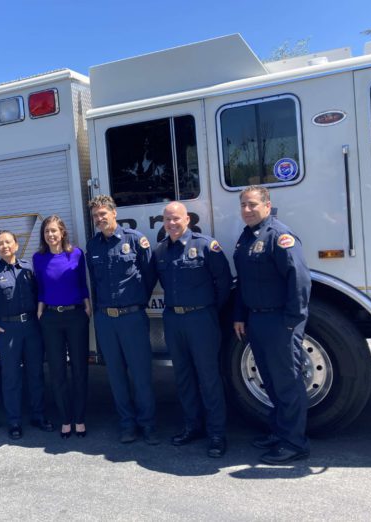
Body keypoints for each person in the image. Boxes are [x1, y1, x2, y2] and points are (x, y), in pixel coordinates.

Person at [233, 185, 312, 465]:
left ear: (268, 205)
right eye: (243, 204)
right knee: (270, 382)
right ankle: (279, 432)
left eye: (252, 204)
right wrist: (240, 316)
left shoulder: (280, 236)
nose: (246, 210)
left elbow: (300, 280)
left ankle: (294, 443)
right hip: (256, 319)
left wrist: (292, 322)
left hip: (279, 321)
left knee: (287, 382)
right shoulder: (246, 237)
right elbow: (243, 281)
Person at [154, 202, 232, 458]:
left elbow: (223, 282)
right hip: (174, 320)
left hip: (201, 318)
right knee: (183, 377)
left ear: (187, 219)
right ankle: (192, 426)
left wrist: (209, 310)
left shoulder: (206, 245)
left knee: (209, 377)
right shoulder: (161, 250)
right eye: (167, 220)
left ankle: (217, 434)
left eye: (176, 219)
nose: (172, 224)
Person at [85, 195, 159, 445]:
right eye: (96, 216)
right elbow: (94, 283)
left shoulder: (135, 240)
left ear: (114, 213)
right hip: (106, 319)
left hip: (132, 317)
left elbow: (149, 276)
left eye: (103, 213)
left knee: (141, 375)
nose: (100, 219)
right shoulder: (92, 246)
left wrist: (137, 302)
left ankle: (147, 425)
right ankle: (127, 424)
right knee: (115, 376)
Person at [0, 230, 53, 439]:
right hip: (7, 332)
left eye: (8, 242)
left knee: (35, 374)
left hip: (32, 328)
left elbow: (39, 295)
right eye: (0, 243)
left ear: (16, 245)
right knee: (11, 378)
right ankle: (14, 421)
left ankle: (38, 415)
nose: (5, 246)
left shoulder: (28, 268)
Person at [33, 215, 90, 439]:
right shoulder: (39, 258)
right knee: (57, 371)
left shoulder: (75, 254)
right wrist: (40, 309)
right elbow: (40, 285)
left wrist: (87, 306)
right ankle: (65, 419)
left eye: (54, 231)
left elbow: (82, 283)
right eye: (47, 231)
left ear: (62, 232)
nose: (50, 235)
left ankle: (80, 418)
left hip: (75, 316)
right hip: (50, 319)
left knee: (79, 370)